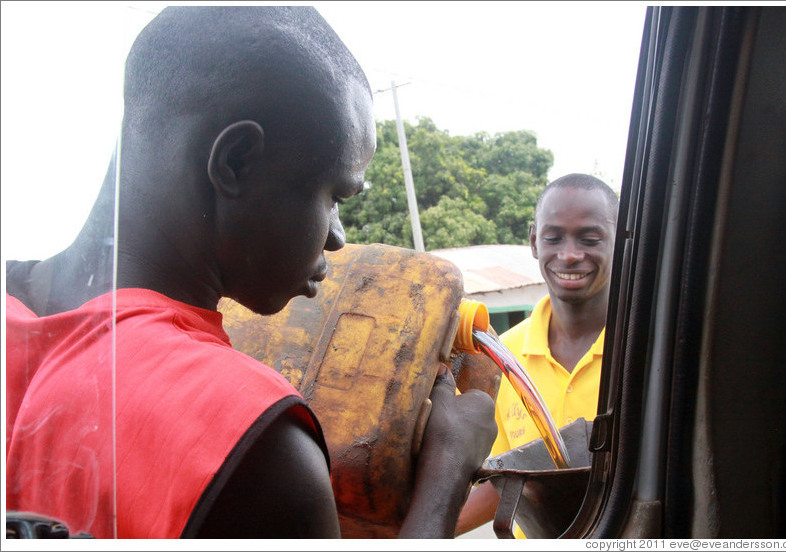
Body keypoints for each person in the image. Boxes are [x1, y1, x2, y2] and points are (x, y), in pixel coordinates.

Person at [5, 6, 497, 539]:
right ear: (235, 162)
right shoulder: (250, 442)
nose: (338, 236)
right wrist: (446, 477)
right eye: (333, 195)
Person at [455, 173, 618, 537]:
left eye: (590, 239)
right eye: (553, 237)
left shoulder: (648, 353)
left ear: (620, 242)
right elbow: (508, 482)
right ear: (533, 241)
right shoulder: (502, 356)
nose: (570, 254)